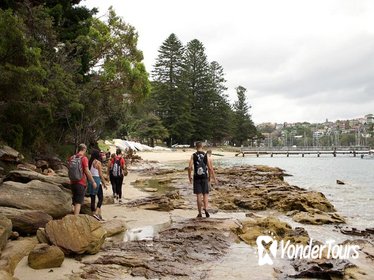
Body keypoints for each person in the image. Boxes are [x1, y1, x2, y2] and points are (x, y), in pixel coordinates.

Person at [188, 142, 217, 218]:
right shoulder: (206, 155)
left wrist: (189, 177)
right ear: (202, 146)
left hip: (196, 177)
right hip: (204, 177)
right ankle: (205, 208)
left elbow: (189, 167)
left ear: (196, 147)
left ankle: (200, 213)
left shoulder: (193, 155)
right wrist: (210, 178)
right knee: (205, 194)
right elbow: (210, 168)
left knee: (198, 195)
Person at [69, 143, 97, 215]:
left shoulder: (72, 158)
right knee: (78, 202)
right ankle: (75, 219)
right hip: (80, 182)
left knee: (74, 201)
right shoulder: (84, 158)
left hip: (72, 182)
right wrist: (93, 182)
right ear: (84, 149)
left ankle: (71, 217)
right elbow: (87, 171)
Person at [87, 149, 108, 221]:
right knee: (101, 198)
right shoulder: (98, 162)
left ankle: (94, 214)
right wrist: (104, 183)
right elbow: (100, 174)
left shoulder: (89, 162)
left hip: (91, 180)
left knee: (93, 198)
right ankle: (96, 213)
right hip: (97, 180)